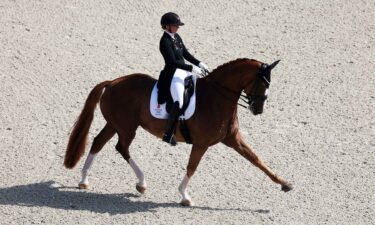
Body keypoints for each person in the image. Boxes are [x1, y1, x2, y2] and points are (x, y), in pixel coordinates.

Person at [158, 12, 208, 146]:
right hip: (173, 74)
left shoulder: (176, 37)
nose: (177, 28)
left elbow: (185, 54)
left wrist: (199, 63)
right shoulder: (165, 41)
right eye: (175, 25)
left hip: (184, 71)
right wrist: (190, 68)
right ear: (167, 26)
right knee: (179, 102)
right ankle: (168, 133)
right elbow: (172, 62)